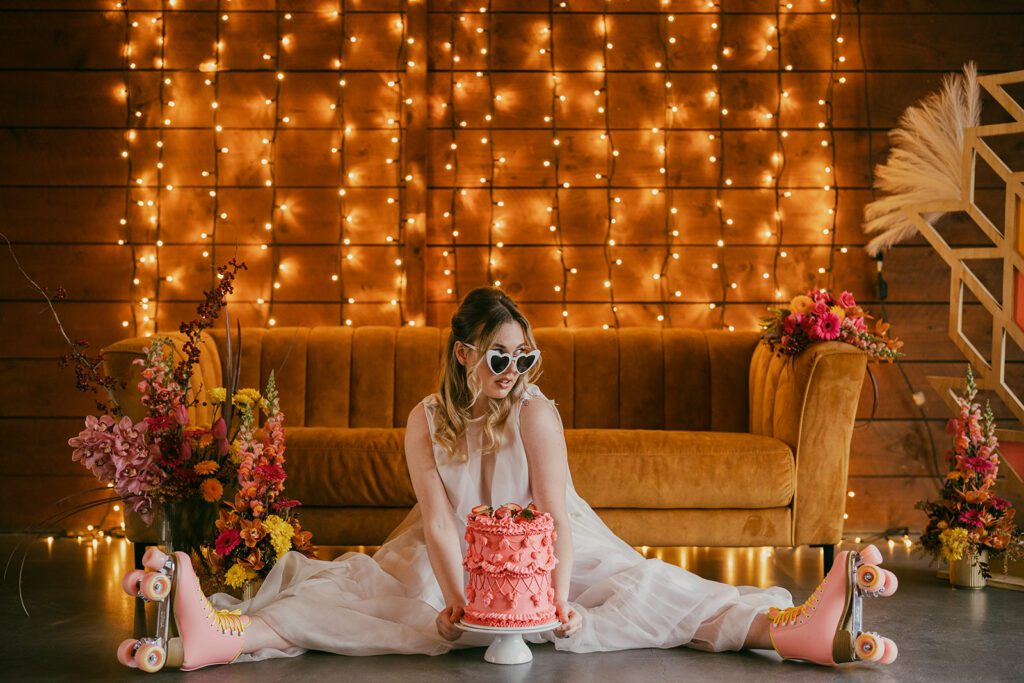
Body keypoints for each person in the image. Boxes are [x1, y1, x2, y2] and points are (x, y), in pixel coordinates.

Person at [120, 286, 898, 672]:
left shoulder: (535, 414)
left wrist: (555, 594)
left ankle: (797, 631)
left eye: (524, 357)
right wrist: (458, 601)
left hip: (555, 549)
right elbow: (432, 520)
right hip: (448, 551)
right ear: (463, 353)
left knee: (646, 596)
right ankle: (219, 636)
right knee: (357, 602)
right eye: (499, 357)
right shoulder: (427, 418)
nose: (513, 371)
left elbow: (555, 513)